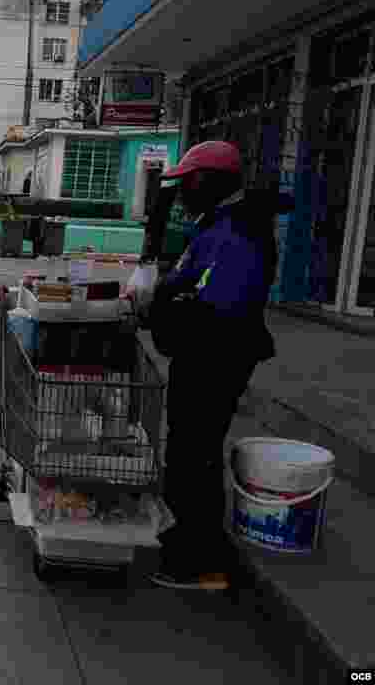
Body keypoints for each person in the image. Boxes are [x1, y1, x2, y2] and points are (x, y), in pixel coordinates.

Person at [127, 140, 278, 591]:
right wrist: (156, 289)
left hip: (217, 357)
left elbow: (216, 308)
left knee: (196, 455)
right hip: (202, 354)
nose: (181, 196)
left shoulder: (241, 234)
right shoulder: (218, 225)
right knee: (188, 450)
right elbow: (185, 279)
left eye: (187, 185)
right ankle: (186, 546)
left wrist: (161, 309)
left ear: (209, 182)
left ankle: (198, 561)